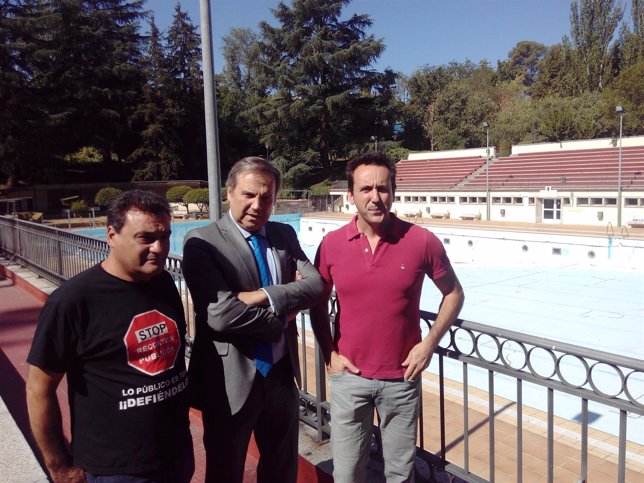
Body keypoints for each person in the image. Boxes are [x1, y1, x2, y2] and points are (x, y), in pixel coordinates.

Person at [310, 151, 465, 483]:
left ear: (394, 191)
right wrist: (329, 354)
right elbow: (317, 303)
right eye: (366, 189)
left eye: (383, 188)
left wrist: (429, 344)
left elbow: (454, 294)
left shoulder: (422, 241)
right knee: (347, 473)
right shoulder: (331, 245)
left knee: (400, 474)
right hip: (349, 379)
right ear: (350, 195)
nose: (375, 197)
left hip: (401, 380)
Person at [26, 190, 194, 483]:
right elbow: (39, 388)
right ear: (112, 236)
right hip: (116, 469)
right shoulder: (74, 301)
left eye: (165, 236)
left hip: (175, 455)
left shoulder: (164, 282)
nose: (159, 248)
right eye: (145, 238)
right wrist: (60, 467)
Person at [182, 156, 324, 483]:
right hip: (229, 381)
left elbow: (315, 284)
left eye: (267, 197)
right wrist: (280, 320)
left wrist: (265, 296)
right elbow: (220, 314)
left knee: (280, 468)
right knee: (225, 470)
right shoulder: (202, 240)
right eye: (249, 194)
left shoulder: (283, 235)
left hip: (280, 376)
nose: (258, 205)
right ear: (229, 193)